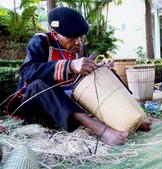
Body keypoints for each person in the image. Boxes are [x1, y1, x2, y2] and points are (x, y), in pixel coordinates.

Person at [12, 7, 152, 146]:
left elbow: (83, 78)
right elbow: (27, 71)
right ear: (55, 34)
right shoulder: (42, 41)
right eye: (72, 37)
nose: (78, 42)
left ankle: (127, 118)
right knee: (39, 85)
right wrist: (70, 65)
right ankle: (101, 130)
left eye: (81, 37)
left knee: (102, 75)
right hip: (36, 105)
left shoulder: (79, 47)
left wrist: (98, 67)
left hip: (68, 102)